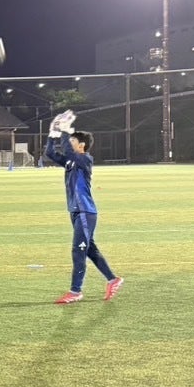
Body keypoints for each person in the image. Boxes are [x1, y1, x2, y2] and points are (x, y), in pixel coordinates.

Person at [43, 111, 122, 305]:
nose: (69, 143)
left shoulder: (85, 159)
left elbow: (68, 151)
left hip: (85, 212)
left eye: (72, 141)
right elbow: (50, 154)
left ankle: (75, 291)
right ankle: (113, 279)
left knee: (78, 250)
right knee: (89, 250)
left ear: (81, 146)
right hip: (77, 212)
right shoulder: (71, 161)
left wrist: (64, 130)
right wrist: (53, 133)